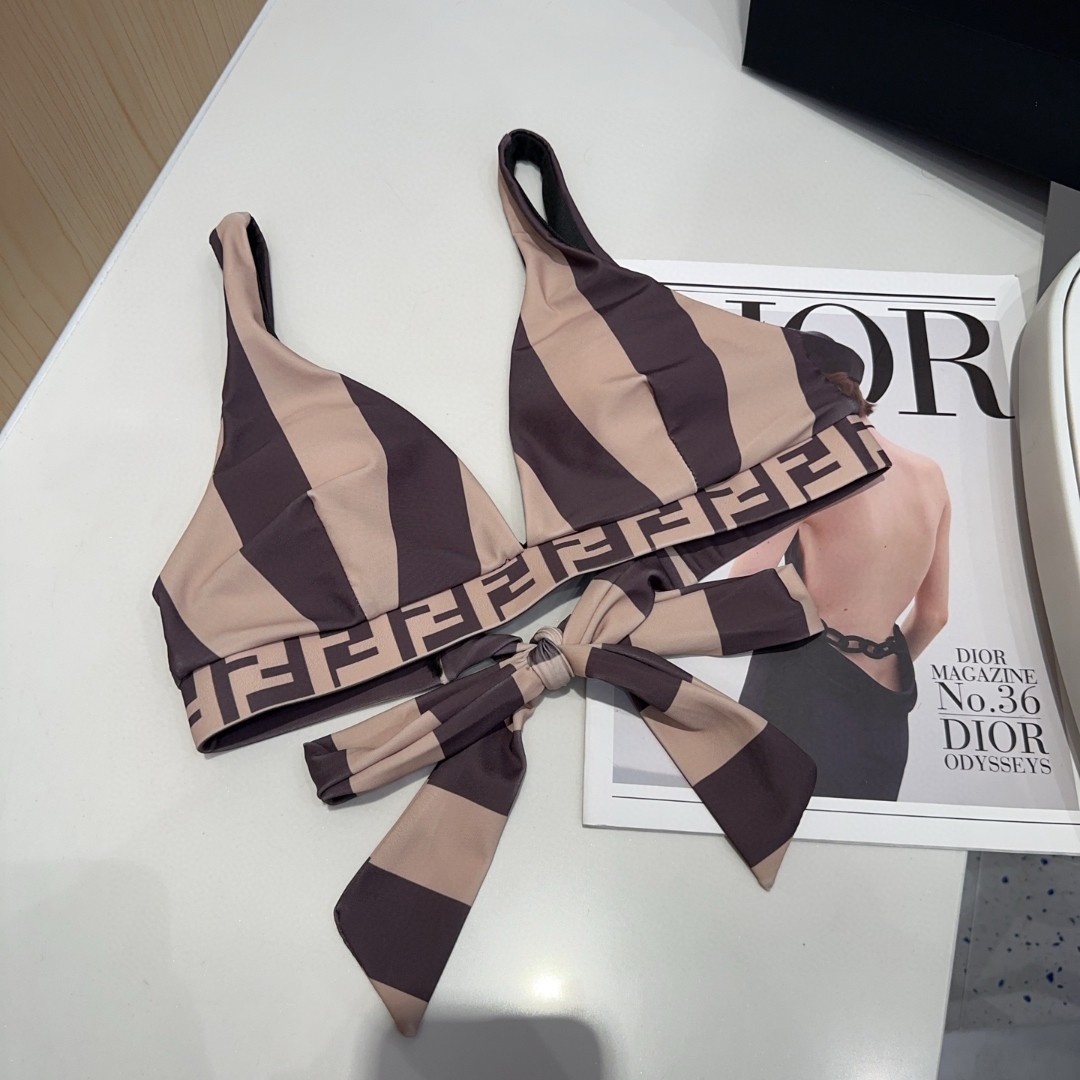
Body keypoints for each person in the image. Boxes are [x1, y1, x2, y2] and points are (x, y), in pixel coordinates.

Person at [729, 349, 950, 800]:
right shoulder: (929, 475)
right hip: (886, 707)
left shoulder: (809, 469)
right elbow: (934, 616)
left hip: (798, 691)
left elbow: (743, 588)